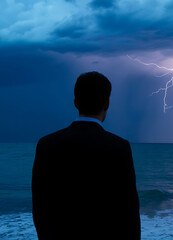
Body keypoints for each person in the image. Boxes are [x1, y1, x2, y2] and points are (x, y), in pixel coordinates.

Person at [32, 72, 141, 239]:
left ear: (75, 102)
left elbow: (40, 207)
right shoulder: (119, 147)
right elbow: (129, 211)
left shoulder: (46, 144)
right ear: (108, 103)